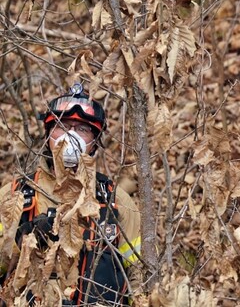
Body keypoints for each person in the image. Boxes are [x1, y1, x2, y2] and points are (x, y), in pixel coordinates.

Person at [0, 84, 141, 305]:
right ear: (47, 134)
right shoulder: (14, 195)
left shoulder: (116, 201)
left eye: (82, 129)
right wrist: (24, 241)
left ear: (95, 142)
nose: (70, 135)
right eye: (62, 125)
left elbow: (138, 277)